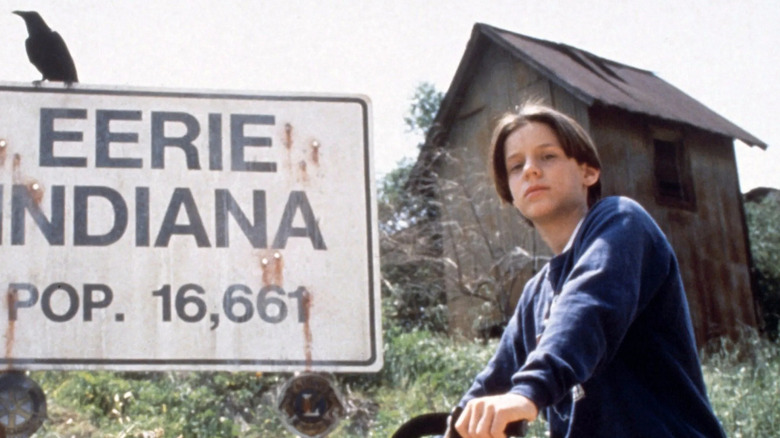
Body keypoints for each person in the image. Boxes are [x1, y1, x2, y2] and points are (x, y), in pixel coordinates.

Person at [447, 104, 726, 438]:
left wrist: (529, 391)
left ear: (588, 172)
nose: (531, 170)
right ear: (510, 193)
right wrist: (453, 430)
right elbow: (492, 386)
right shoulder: (536, 294)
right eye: (516, 166)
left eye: (547, 156)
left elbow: (588, 306)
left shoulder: (622, 221)